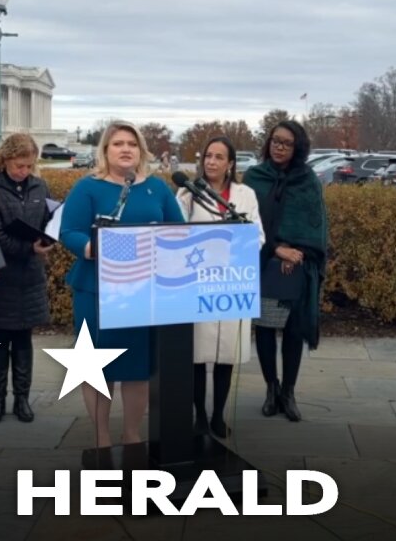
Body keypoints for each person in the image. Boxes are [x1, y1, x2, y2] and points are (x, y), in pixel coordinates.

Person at [60, 121, 185, 448]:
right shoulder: (88, 187)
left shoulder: (156, 188)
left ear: (141, 151)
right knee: (99, 366)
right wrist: (93, 246)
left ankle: (132, 435)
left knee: (136, 367)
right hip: (97, 290)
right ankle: (101, 437)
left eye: (132, 143)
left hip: (144, 293)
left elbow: (179, 232)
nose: (126, 149)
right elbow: (69, 231)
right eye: (118, 144)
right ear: (105, 150)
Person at [175, 136, 263, 438]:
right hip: (197, 284)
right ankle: (199, 415)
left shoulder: (245, 194)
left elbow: (258, 236)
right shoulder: (187, 194)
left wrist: (233, 246)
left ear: (230, 163)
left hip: (232, 284)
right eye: (207, 156)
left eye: (218, 157)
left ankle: (218, 415)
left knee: (226, 353)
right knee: (197, 355)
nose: (211, 162)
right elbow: (177, 235)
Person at [243, 120, 327, 423]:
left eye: (286, 143)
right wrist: (277, 249)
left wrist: (299, 252)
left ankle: (288, 392)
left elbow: (315, 225)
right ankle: (271, 389)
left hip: (299, 268)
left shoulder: (308, 180)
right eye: (275, 141)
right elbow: (247, 225)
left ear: (297, 148)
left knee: (293, 331)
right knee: (265, 328)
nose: (279, 147)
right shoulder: (254, 177)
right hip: (265, 264)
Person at [0, 133, 54, 424]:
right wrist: (27, 247)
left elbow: (47, 222)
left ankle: (22, 398)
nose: (23, 171)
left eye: (28, 166)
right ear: (6, 159)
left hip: (30, 275)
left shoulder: (40, 185)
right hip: (1, 273)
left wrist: (49, 240)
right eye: (18, 165)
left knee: (24, 338)